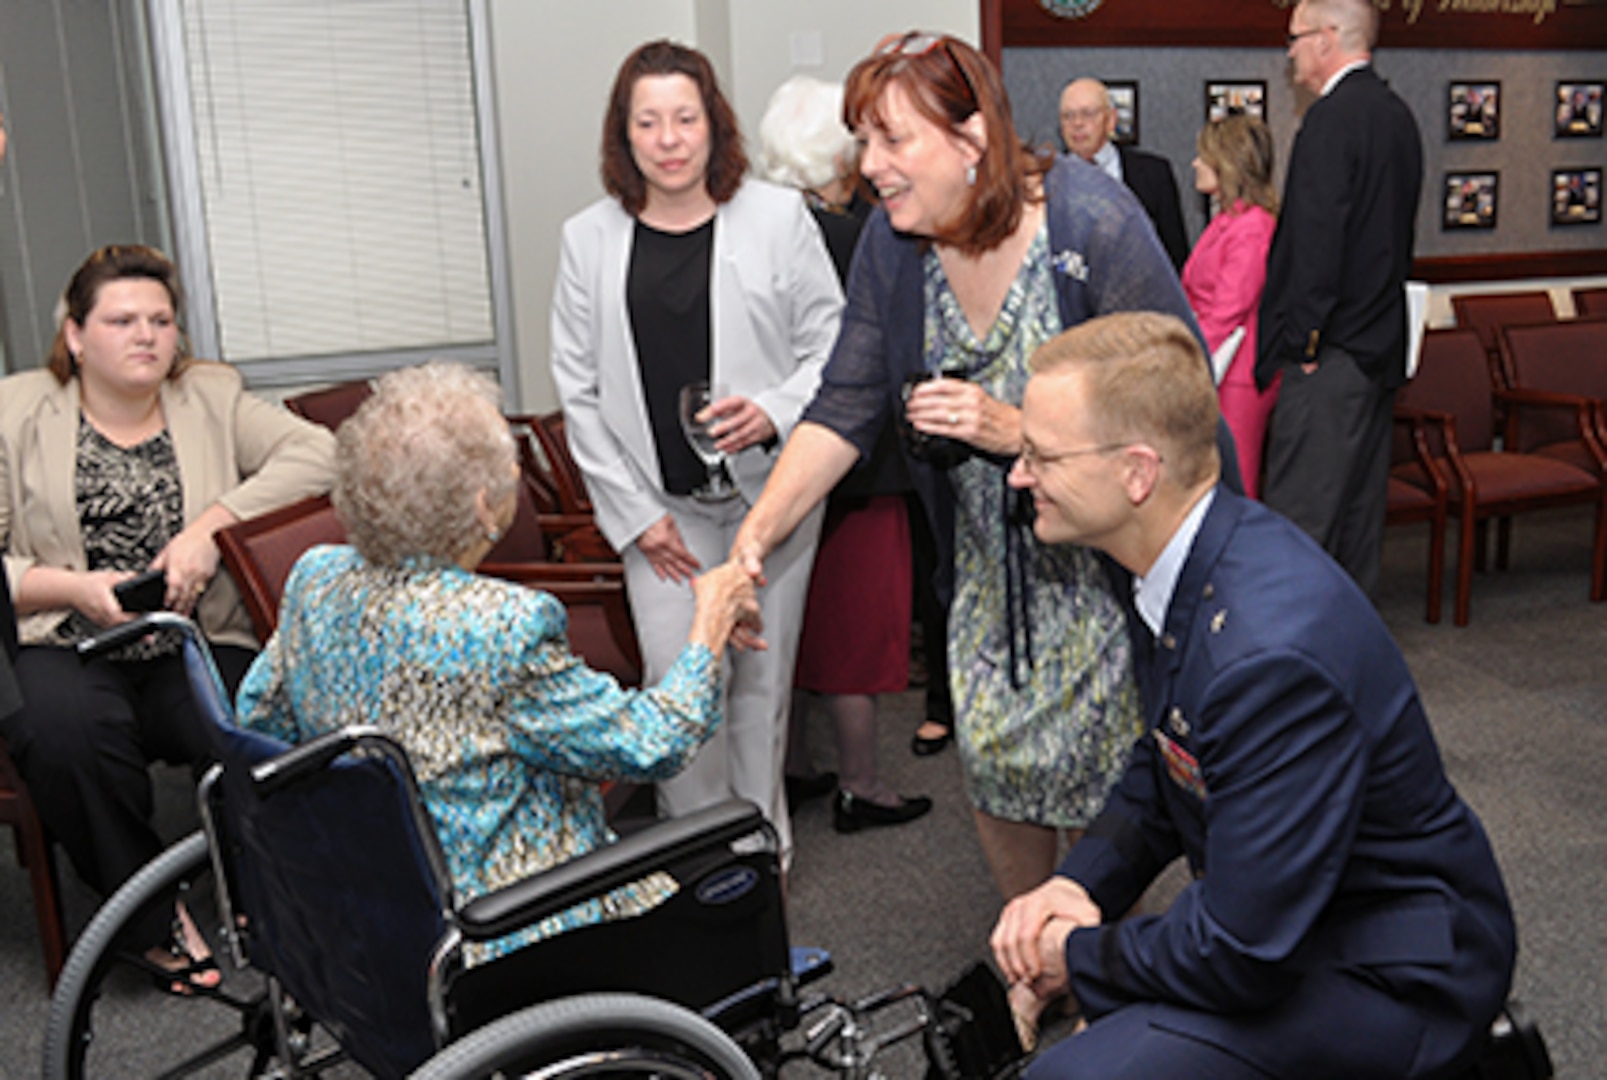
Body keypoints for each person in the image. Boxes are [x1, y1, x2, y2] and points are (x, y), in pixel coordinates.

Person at [733, 33, 1239, 908]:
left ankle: (1094, 976)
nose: (871, 165)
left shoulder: (1092, 223)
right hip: (980, 584)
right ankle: (1030, 967)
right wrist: (752, 537)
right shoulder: (895, 248)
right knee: (999, 774)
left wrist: (1018, 433)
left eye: (894, 140)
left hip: (1102, 580)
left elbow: (1179, 395)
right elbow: (842, 404)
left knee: (1106, 798)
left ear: (970, 143)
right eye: (864, 140)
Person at [992, 311, 1516, 1079]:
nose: (1018, 475)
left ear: (1137, 472)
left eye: (1040, 455)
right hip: (1289, 924)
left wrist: (1074, 955)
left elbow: (1238, 952)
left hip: (1394, 973)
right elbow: (1170, 750)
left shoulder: (1265, 653)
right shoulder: (1184, 553)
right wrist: (1080, 882)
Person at [237, 362, 761, 958]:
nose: (517, 471)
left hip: (371, 906)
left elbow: (259, 718)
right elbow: (654, 743)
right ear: (485, 506)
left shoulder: (317, 575)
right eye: (507, 462)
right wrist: (709, 625)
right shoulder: (502, 625)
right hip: (516, 928)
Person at [0, 244, 335, 983]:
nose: (146, 334)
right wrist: (73, 589)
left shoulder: (212, 396)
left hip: (193, 633)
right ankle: (152, 912)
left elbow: (319, 453)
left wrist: (211, 526)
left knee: (264, 716)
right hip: (69, 640)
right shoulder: (15, 411)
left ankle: (261, 885)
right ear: (76, 336)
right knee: (63, 739)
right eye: (122, 320)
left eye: (161, 319)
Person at [550, 41, 842, 861]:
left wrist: (778, 409)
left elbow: (834, 343)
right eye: (649, 121)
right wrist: (636, 519)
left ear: (714, 126)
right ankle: (698, 871)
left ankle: (762, 871)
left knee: (759, 697)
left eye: (685, 118)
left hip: (769, 504)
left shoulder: (779, 218)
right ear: (624, 134)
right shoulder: (587, 240)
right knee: (676, 696)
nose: (669, 138)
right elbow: (577, 392)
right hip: (661, 522)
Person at [756, 74, 932, 832]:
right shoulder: (870, 237)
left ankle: (792, 770)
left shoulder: (761, 231)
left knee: (790, 632)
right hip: (862, 468)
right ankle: (862, 784)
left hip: (777, 463)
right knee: (860, 633)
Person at [1256, 0, 1423, 596]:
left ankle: (1294, 667)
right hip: (1377, 351)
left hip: (1329, 359)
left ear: (1328, 39)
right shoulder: (1397, 114)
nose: (1290, 51)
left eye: (1296, 38)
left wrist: (1302, 342)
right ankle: (1351, 664)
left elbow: (1317, 248)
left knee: (1300, 525)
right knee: (1356, 528)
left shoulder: (1330, 121)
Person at [1181, 114, 1279, 498]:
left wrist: (1181, 356)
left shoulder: (1252, 226)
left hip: (1237, 374)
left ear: (1227, 162)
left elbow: (1227, 310)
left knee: (1237, 486)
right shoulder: (1227, 219)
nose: (1195, 163)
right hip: (1216, 365)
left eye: (1202, 155)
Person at [1058, 78, 1189, 271]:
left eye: (1088, 114)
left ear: (1111, 120)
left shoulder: (1154, 174)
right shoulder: (1045, 180)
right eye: (1068, 116)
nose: (1077, 123)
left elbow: (1175, 257)